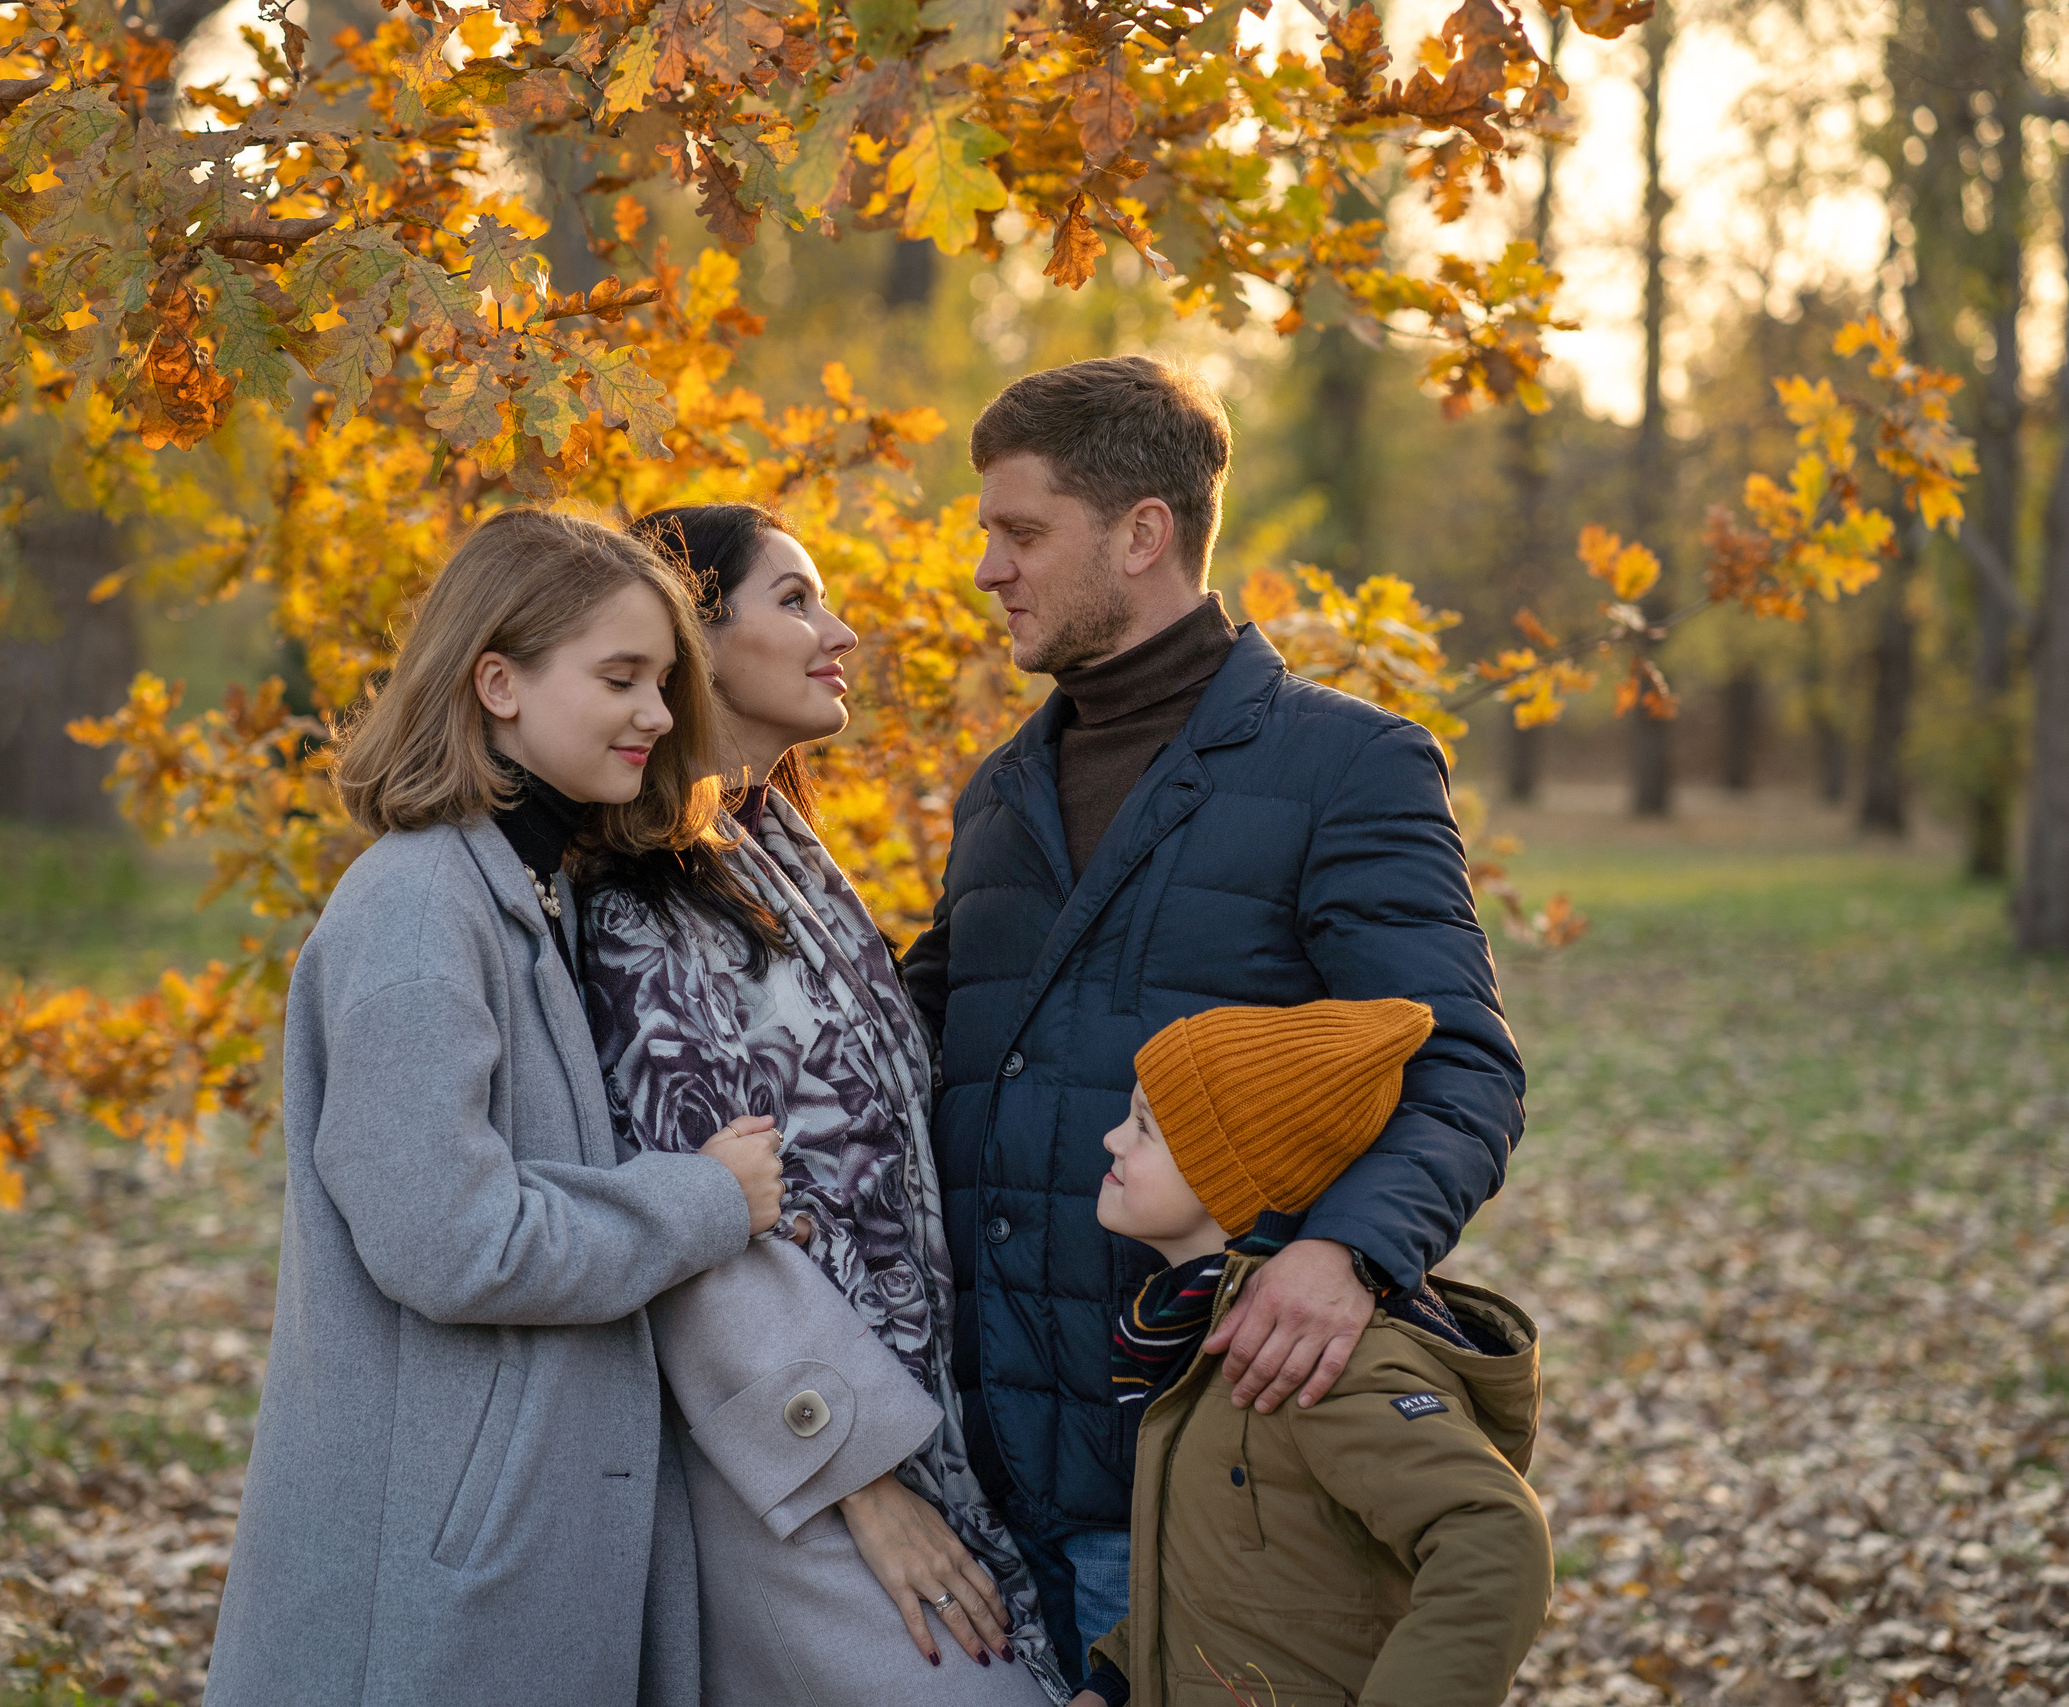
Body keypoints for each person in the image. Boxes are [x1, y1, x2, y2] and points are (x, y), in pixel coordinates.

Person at [895, 356, 1529, 1677]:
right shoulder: (999, 792)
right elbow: (919, 1041)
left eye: (1021, 532)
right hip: (992, 1486)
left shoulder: (1345, 765)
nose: (988, 568)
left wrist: (1348, 1251)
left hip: (1216, 1475)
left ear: (1143, 533)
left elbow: (1460, 1063)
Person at [204, 509, 790, 1707]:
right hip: (433, 1565)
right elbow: (448, 1242)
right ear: (498, 682)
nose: (660, 715)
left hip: (515, 1527)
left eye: (665, 681)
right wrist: (699, 1202)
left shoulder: (529, 887)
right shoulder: (421, 916)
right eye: (620, 678)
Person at [579, 503, 1069, 1705]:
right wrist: (861, 1484)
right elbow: (702, 1229)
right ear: (694, 635)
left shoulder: (778, 849)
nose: (837, 630)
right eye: (793, 601)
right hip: (796, 1475)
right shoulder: (637, 907)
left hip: (927, 1433)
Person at [1073, 1000, 1552, 1707]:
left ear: (1228, 1177)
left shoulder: (1323, 1359)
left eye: (1144, 1126)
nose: (1113, 1138)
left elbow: (1498, 1535)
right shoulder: (1197, 1338)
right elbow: (1215, 1582)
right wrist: (1114, 1683)